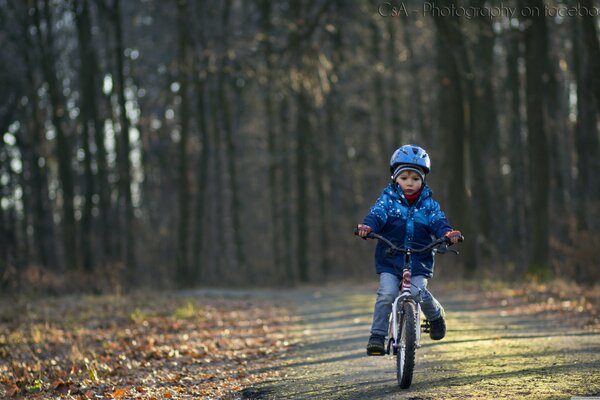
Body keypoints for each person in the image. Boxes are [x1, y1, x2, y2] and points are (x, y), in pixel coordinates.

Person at [356, 144, 462, 356]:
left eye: (415, 178)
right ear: (395, 178)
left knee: (417, 292)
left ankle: (435, 316)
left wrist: (448, 233)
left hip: (419, 257)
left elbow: (438, 222)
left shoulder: (429, 205)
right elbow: (377, 215)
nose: (409, 183)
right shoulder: (387, 200)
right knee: (386, 294)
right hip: (390, 256)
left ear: (423, 180)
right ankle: (377, 336)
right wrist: (368, 227)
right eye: (404, 178)